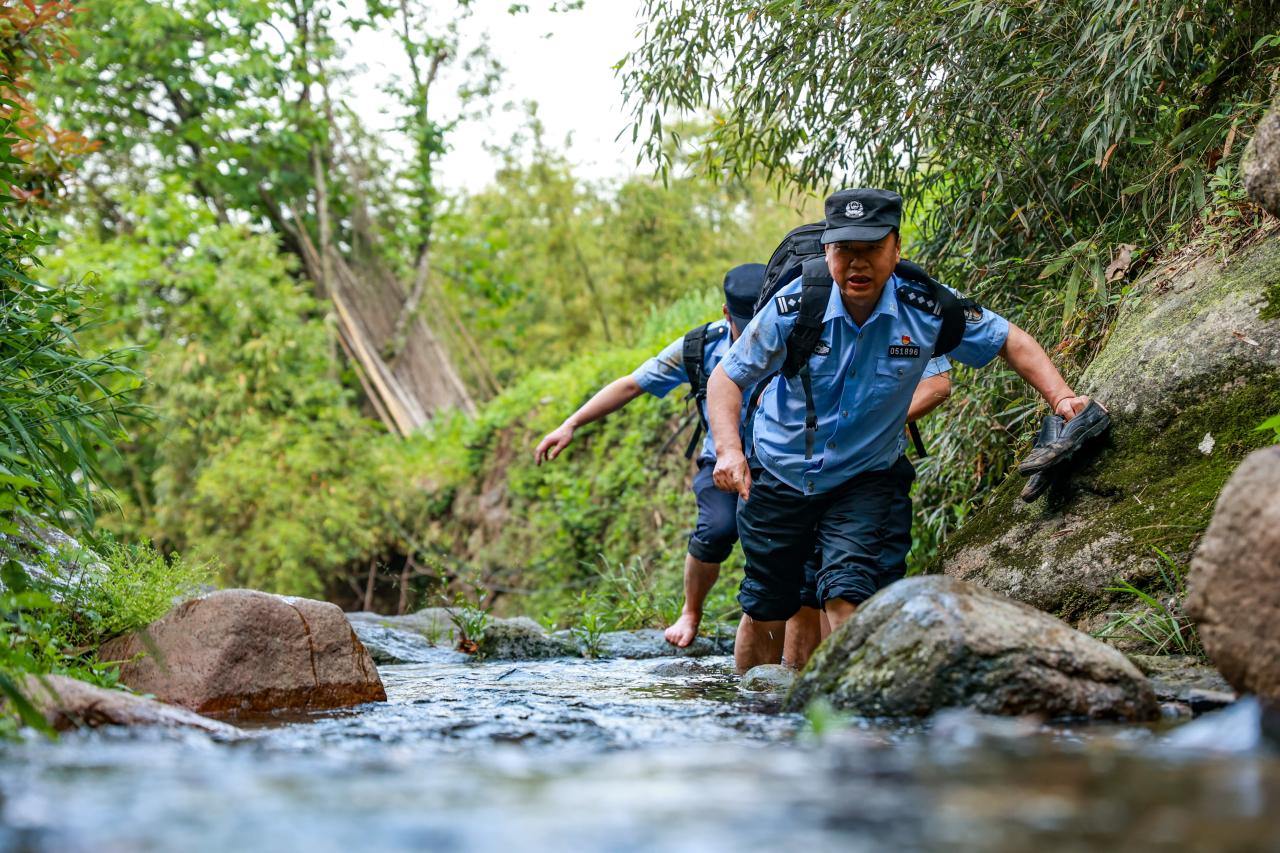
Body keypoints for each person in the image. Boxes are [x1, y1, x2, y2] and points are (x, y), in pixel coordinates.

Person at [705, 188, 1095, 673]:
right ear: (827, 251)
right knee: (766, 607)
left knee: (849, 593)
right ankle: (749, 714)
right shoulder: (796, 305)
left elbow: (1008, 340)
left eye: (871, 248)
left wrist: (1062, 399)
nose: (857, 263)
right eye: (845, 249)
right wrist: (729, 450)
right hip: (779, 468)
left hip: (864, 477)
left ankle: (851, 708)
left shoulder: (926, 306)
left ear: (896, 248)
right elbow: (726, 378)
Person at [534, 262, 952, 658]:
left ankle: (801, 672)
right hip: (724, 462)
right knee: (717, 530)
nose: (755, 332)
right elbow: (633, 384)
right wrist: (571, 423)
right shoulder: (702, 346)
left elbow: (933, 380)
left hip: (796, 466)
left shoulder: (804, 322)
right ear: (726, 315)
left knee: (812, 576)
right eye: (743, 324)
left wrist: (871, 423)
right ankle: (691, 613)